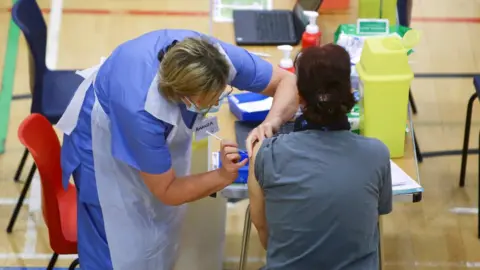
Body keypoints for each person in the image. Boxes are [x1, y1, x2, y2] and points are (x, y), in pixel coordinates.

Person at [55, 29, 298, 269]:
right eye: (211, 99)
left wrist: (270, 124)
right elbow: (168, 190)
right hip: (101, 141)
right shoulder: (140, 112)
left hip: (140, 111)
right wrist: (222, 176)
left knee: (158, 228)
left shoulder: (213, 57)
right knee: (118, 240)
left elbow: (286, 81)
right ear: (184, 97)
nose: (217, 104)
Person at [248, 44, 393, 270]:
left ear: (299, 97)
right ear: (351, 91)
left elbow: (264, 232)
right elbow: (373, 217)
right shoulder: (378, 154)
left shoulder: (266, 153)